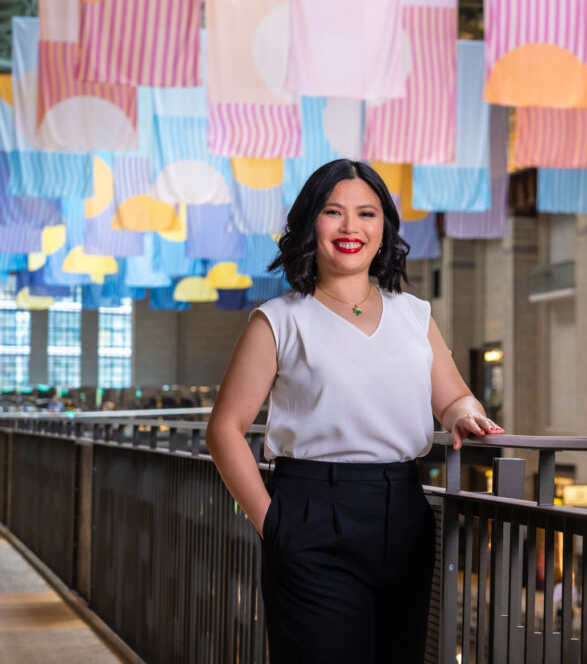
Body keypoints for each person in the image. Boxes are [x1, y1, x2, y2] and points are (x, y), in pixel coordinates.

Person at [205, 159, 504, 664]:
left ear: (383, 227)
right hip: (310, 511)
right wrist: (274, 524)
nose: (351, 228)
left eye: (367, 213)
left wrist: (463, 414)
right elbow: (225, 431)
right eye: (333, 212)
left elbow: (452, 396)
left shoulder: (414, 313)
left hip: (404, 511)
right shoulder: (279, 320)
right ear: (308, 225)